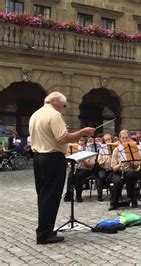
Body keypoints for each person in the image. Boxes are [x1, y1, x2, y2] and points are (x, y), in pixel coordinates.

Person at [29, 91, 95, 245]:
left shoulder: (36, 114)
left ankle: (44, 230)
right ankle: (45, 235)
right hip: (52, 158)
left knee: (43, 194)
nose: (63, 109)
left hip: (39, 157)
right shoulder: (54, 114)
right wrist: (83, 132)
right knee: (51, 196)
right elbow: (63, 138)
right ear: (57, 102)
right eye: (64, 106)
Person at [109, 129, 141, 210]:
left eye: (126, 137)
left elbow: (137, 166)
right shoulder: (116, 150)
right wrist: (119, 165)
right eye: (123, 138)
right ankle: (114, 203)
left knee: (130, 176)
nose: (125, 139)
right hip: (119, 172)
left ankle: (132, 199)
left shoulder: (134, 148)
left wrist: (132, 163)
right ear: (120, 138)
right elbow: (113, 167)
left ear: (129, 138)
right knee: (117, 182)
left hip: (131, 171)